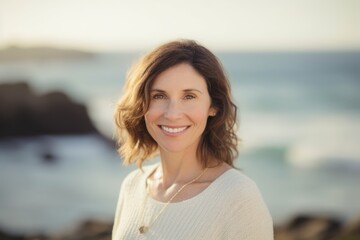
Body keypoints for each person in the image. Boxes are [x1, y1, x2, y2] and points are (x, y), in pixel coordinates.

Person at [112, 39, 273, 240]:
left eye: (189, 96)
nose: (172, 114)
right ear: (141, 104)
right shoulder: (132, 186)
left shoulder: (238, 196)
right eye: (159, 96)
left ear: (213, 106)